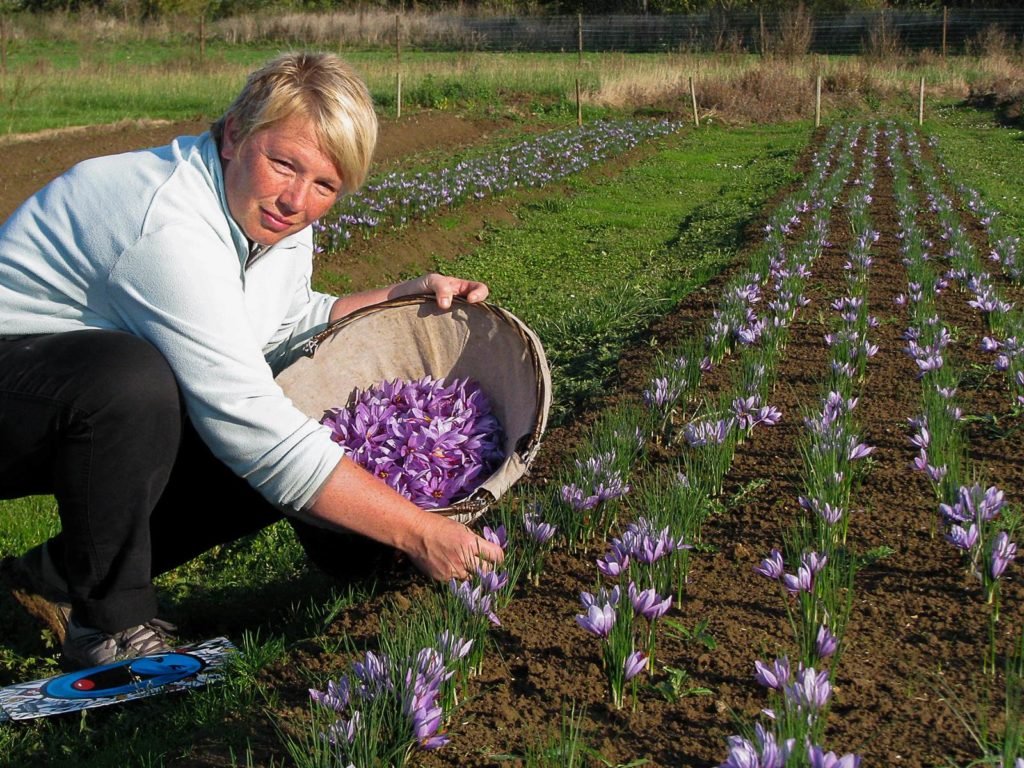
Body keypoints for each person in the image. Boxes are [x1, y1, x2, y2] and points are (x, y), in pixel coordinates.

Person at [0, 51, 504, 670]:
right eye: (283, 164)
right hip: (18, 383)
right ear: (236, 134)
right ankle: (110, 627)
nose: (296, 200)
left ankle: (53, 575)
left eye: (325, 185)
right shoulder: (167, 225)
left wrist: (395, 298)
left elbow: (285, 323)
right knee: (135, 385)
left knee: (281, 408)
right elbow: (250, 422)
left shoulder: (269, 215)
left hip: (62, 385)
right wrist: (415, 530)